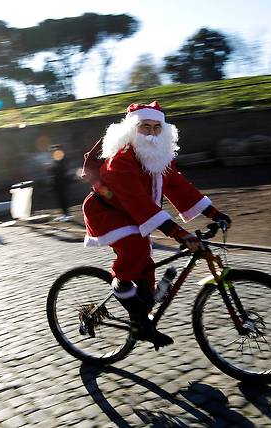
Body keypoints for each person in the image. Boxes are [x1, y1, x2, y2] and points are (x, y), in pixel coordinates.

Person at [82, 101, 232, 350]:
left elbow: (179, 187)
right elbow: (140, 203)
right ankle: (138, 318)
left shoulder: (159, 158)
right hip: (108, 213)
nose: (151, 134)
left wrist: (213, 212)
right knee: (135, 251)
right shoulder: (119, 160)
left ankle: (145, 304)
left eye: (156, 128)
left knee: (146, 271)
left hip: (134, 213)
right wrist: (178, 233)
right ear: (131, 129)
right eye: (144, 127)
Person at [49, 144, 71, 221]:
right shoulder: (57, 158)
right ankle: (64, 214)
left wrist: (51, 168)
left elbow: (59, 169)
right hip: (57, 181)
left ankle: (66, 214)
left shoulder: (60, 158)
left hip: (60, 181)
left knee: (62, 199)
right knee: (60, 199)